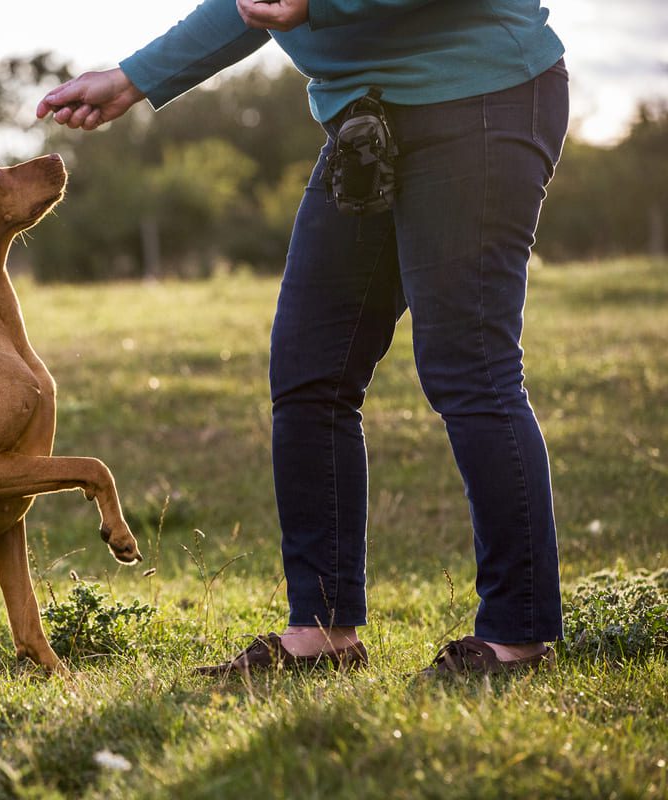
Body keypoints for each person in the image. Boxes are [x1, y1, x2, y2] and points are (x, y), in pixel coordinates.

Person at [36, 0, 568, 675]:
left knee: (471, 367)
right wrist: (135, 77)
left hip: (480, 99)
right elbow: (255, 4)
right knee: (310, 370)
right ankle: (321, 634)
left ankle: (515, 639)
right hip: (365, 121)